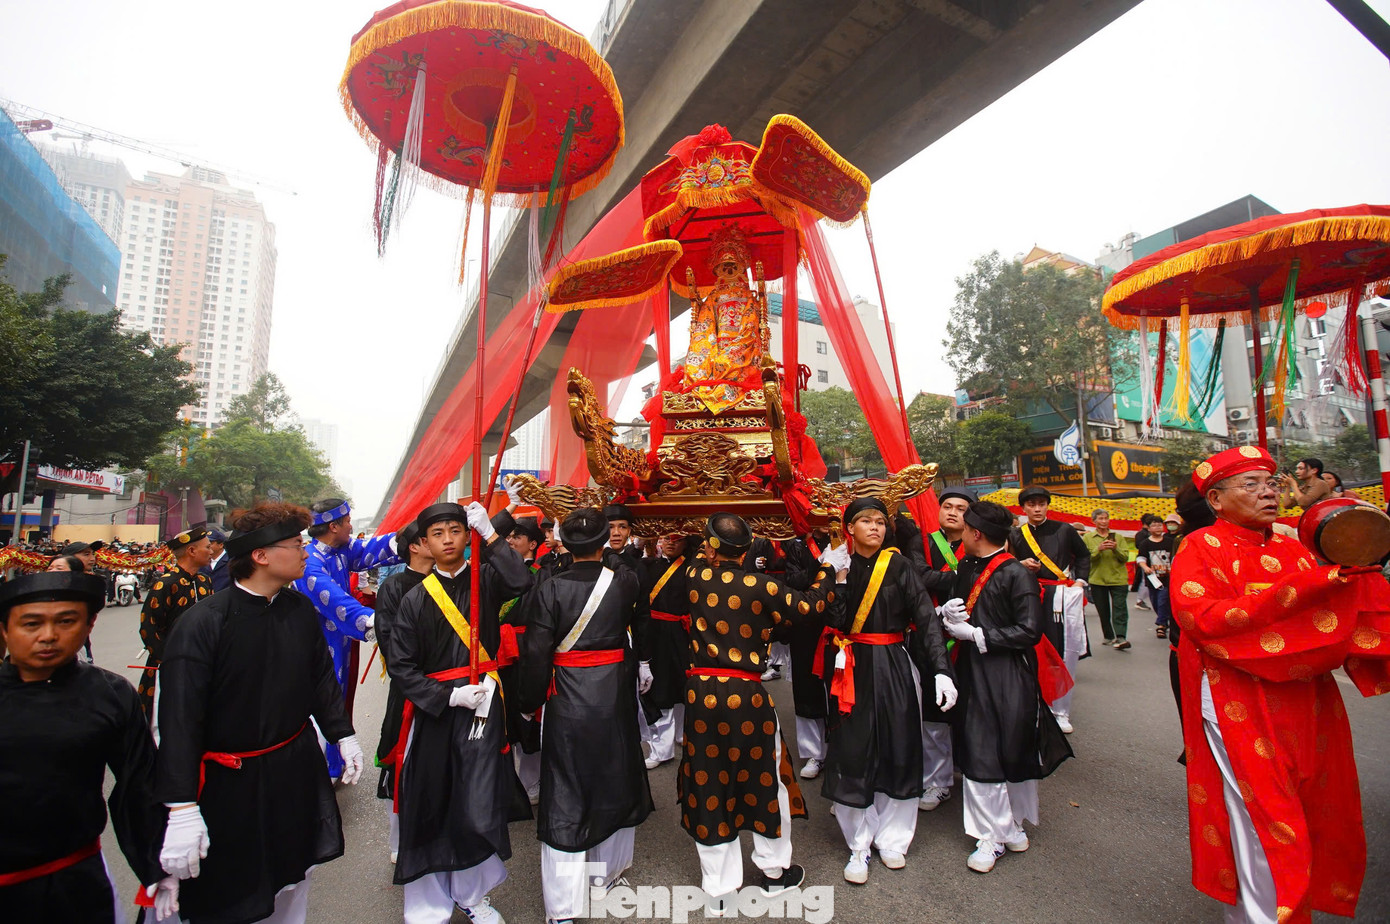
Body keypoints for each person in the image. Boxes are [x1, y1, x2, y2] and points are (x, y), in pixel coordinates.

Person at [1171, 446, 1388, 923]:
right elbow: (1201, 619)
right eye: (1250, 484)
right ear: (1216, 500)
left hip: (1307, 696)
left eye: (1270, 482)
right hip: (1235, 695)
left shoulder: (1294, 547)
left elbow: (1336, 611)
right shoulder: (1200, 546)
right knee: (1263, 817)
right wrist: (1299, 592)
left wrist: (1356, 571)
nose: (1268, 492)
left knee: (1313, 804)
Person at [155, 502, 364, 924]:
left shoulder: (298, 609)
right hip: (230, 782)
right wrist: (180, 806)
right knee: (236, 889)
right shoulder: (203, 624)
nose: (305, 551)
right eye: (296, 544)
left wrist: (342, 735)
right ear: (261, 555)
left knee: (294, 877)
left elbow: (321, 681)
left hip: (293, 768)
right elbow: (177, 721)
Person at [679, 512, 840, 912]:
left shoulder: (694, 576)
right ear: (749, 548)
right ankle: (774, 871)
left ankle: (719, 888)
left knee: (708, 782)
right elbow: (810, 607)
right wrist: (828, 570)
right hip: (747, 696)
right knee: (766, 778)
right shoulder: (762, 585)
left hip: (701, 695)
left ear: (709, 548)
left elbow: (700, 551)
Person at [0, 570, 179, 922]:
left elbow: (138, 785)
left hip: (77, 879)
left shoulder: (110, 693)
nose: (48, 635)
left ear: (88, 627)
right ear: (6, 630)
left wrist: (157, 864)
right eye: (31, 624)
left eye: (66, 622)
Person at [386, 501, 533, 924]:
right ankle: (428, 906)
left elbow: (522, 580)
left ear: (466, 535)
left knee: (477, 802)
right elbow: (401, 666)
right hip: (436, 711)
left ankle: (472, 895)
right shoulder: (414, 598)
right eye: (438, 534)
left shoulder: (485, 579)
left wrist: (492, 535)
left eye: (455, 530)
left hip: (484, 707)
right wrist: (447, 697)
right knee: (431, 801)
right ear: (424, 543)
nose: (448, 540)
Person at [517, 507, 654, 924]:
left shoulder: (549, 589)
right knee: (614, 776)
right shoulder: (626, 582)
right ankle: (605, 877)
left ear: (562, 541)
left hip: (567, 697)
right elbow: (640, 622)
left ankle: (562, 907)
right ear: (604, 541)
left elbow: (536, 654)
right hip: (613, 693)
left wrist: (528, 703)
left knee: (566, 788)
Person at [819, 497, 956, 884]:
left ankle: (894, 838)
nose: (875, 527)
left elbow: (926, 618)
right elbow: (832, 619)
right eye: (866, 521)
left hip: (894, 662)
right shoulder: (836, 565)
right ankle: (858, 843)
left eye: (880, 521)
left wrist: (941, 670)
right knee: (853, 748)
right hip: (851, 666)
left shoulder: (900, 566)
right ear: (850, 528)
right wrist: (837, 580)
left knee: (899, 745)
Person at [940, 500, 1073, 874]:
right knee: (980, 748)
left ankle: (999, 831)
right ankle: (1000, 830)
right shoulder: (967, 566)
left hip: (1007, 672)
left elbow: (1029, 631)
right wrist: (947, 614)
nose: (961, 534)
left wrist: (976, 634)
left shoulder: (1016, 573)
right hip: (972, 669)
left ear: (976, 533)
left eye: (965, 528)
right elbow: (959, 607)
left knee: (1002, 747)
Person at [292, 498, 399, 780]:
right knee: (323, 701)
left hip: (342, 642)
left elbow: (371, 549)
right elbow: (336, 600)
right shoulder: (310, 563)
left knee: (340, 699)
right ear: (333, 526)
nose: (351, 526)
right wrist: (375, 620)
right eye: (348, 521)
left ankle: (335, 762)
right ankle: (320, 770)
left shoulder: (341, 550)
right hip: (319, 644)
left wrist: (407, 537)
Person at [374, 520, 433, 865]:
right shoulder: (394, 586)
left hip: (447, 688)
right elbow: (389, 640)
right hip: (410, 687)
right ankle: (400, 837)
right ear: (414, 546)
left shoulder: (449, 580)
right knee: (401, 759)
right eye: (431, 536)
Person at [1009, 485, 1089, 733]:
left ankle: (1060, 710)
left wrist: (1080, 581)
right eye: (1031, 505)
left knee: (1061, 649)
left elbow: (1083, 555)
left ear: (1047, 506)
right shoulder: (1015, 534)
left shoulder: (1064, 530)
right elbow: (1007, 561)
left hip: (1059, 595)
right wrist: (1021, 564)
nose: (1037, 509)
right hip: (1027, 594)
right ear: (1023, 508)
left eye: (1041, 504)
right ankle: (1033, 704)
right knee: (1030, 649)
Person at [918, 487, 974, 812]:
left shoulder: (977, 542)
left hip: (969, 637)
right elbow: (918, 576)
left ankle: (971, 769)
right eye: (947, 506)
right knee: (934, 710)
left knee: (969, 709)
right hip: (930, 634)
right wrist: (956, 577)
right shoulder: (924, 542)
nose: (952, 512)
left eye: (961, 508)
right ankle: (938, 780)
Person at [682, 224, 767, 415]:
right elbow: (704, 327)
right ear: (717, 269)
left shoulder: (748, 296)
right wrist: (710, 353)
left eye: (732, 265)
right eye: (724, 266)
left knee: (730, 365)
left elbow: (751, 326)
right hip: (716, 348)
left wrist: (733, 350)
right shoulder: (713, 297)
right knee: (697, 366)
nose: (729, 269)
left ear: (741, 267)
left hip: (743, 347)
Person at [136, 526, 215, 720]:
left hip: (202, 663)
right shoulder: (166, 584)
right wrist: (169, 660)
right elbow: (148, 627)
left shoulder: (204, 581)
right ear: (191, 551)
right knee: (164, 717)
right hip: (168, 666)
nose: (211, 551)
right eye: (207, 547)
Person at [642, 533, 694, 770]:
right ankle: (661, 749)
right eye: (666, 538)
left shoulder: (692, 568)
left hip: (683, 633)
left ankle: (683, 733)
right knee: (661, 689)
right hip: (656, 634)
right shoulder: (648, 565)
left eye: (677, 538)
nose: (671, 543)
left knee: (683, 684)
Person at [1082, 509, 1134, 650]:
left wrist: (1116, 549)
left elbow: (1125, 557)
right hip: (1098, 579)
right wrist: (1098, 549)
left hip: (1118, 578)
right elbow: (1086, 558)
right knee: (1102, 610)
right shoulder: (1088, 538)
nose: (1104, 521)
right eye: (1100, 518)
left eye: (1106, 518)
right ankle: (1108, 635)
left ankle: (1121, 636)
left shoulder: (1118, 537)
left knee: (1120, 608)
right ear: (1094, 521)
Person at [1135, 513, 1175, 640]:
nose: (1157, 528)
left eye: (1159, 525)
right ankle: (1164, 620)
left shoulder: (1170, 542)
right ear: (1149, 528)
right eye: (1154, 525)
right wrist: (1145, 567)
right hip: (1153, 578)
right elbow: (1141, 558)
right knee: (1156, 602)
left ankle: (1161, 626)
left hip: (1167, 578)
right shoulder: (1145, 543)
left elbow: (1175, 557)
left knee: (1163, 599)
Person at [201, 529, 231, 593]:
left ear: (221, 545)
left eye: (211, 543)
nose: (208, 546)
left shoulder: (231, 561)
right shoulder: (202, 561)